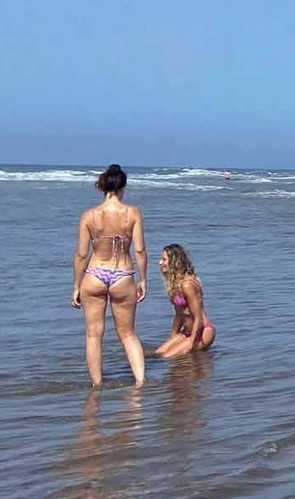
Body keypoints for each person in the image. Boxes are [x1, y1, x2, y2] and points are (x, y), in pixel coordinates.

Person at [72, 164, 147, 386]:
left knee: (94, 335)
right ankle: (141, 382)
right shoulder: (132, 213)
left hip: (94, 273)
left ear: (103, 187)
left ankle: (97, 385)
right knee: (128, 334)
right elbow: (140, 250)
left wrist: (76, 285)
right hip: (122, 273)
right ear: (123, 186)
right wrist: (143, 279)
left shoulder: (89, 215)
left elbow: (81, 254)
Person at [154, 243, 216, 357]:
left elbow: (198, 317)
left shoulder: (187, 284)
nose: (160, 263)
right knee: (159, 354)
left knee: (167, 357)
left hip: (202, 331)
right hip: (186, 331)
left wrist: (192, 343)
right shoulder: (175, 284)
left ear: (175, 262)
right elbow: (179, 315)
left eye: (164, 259)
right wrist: (172, 337)